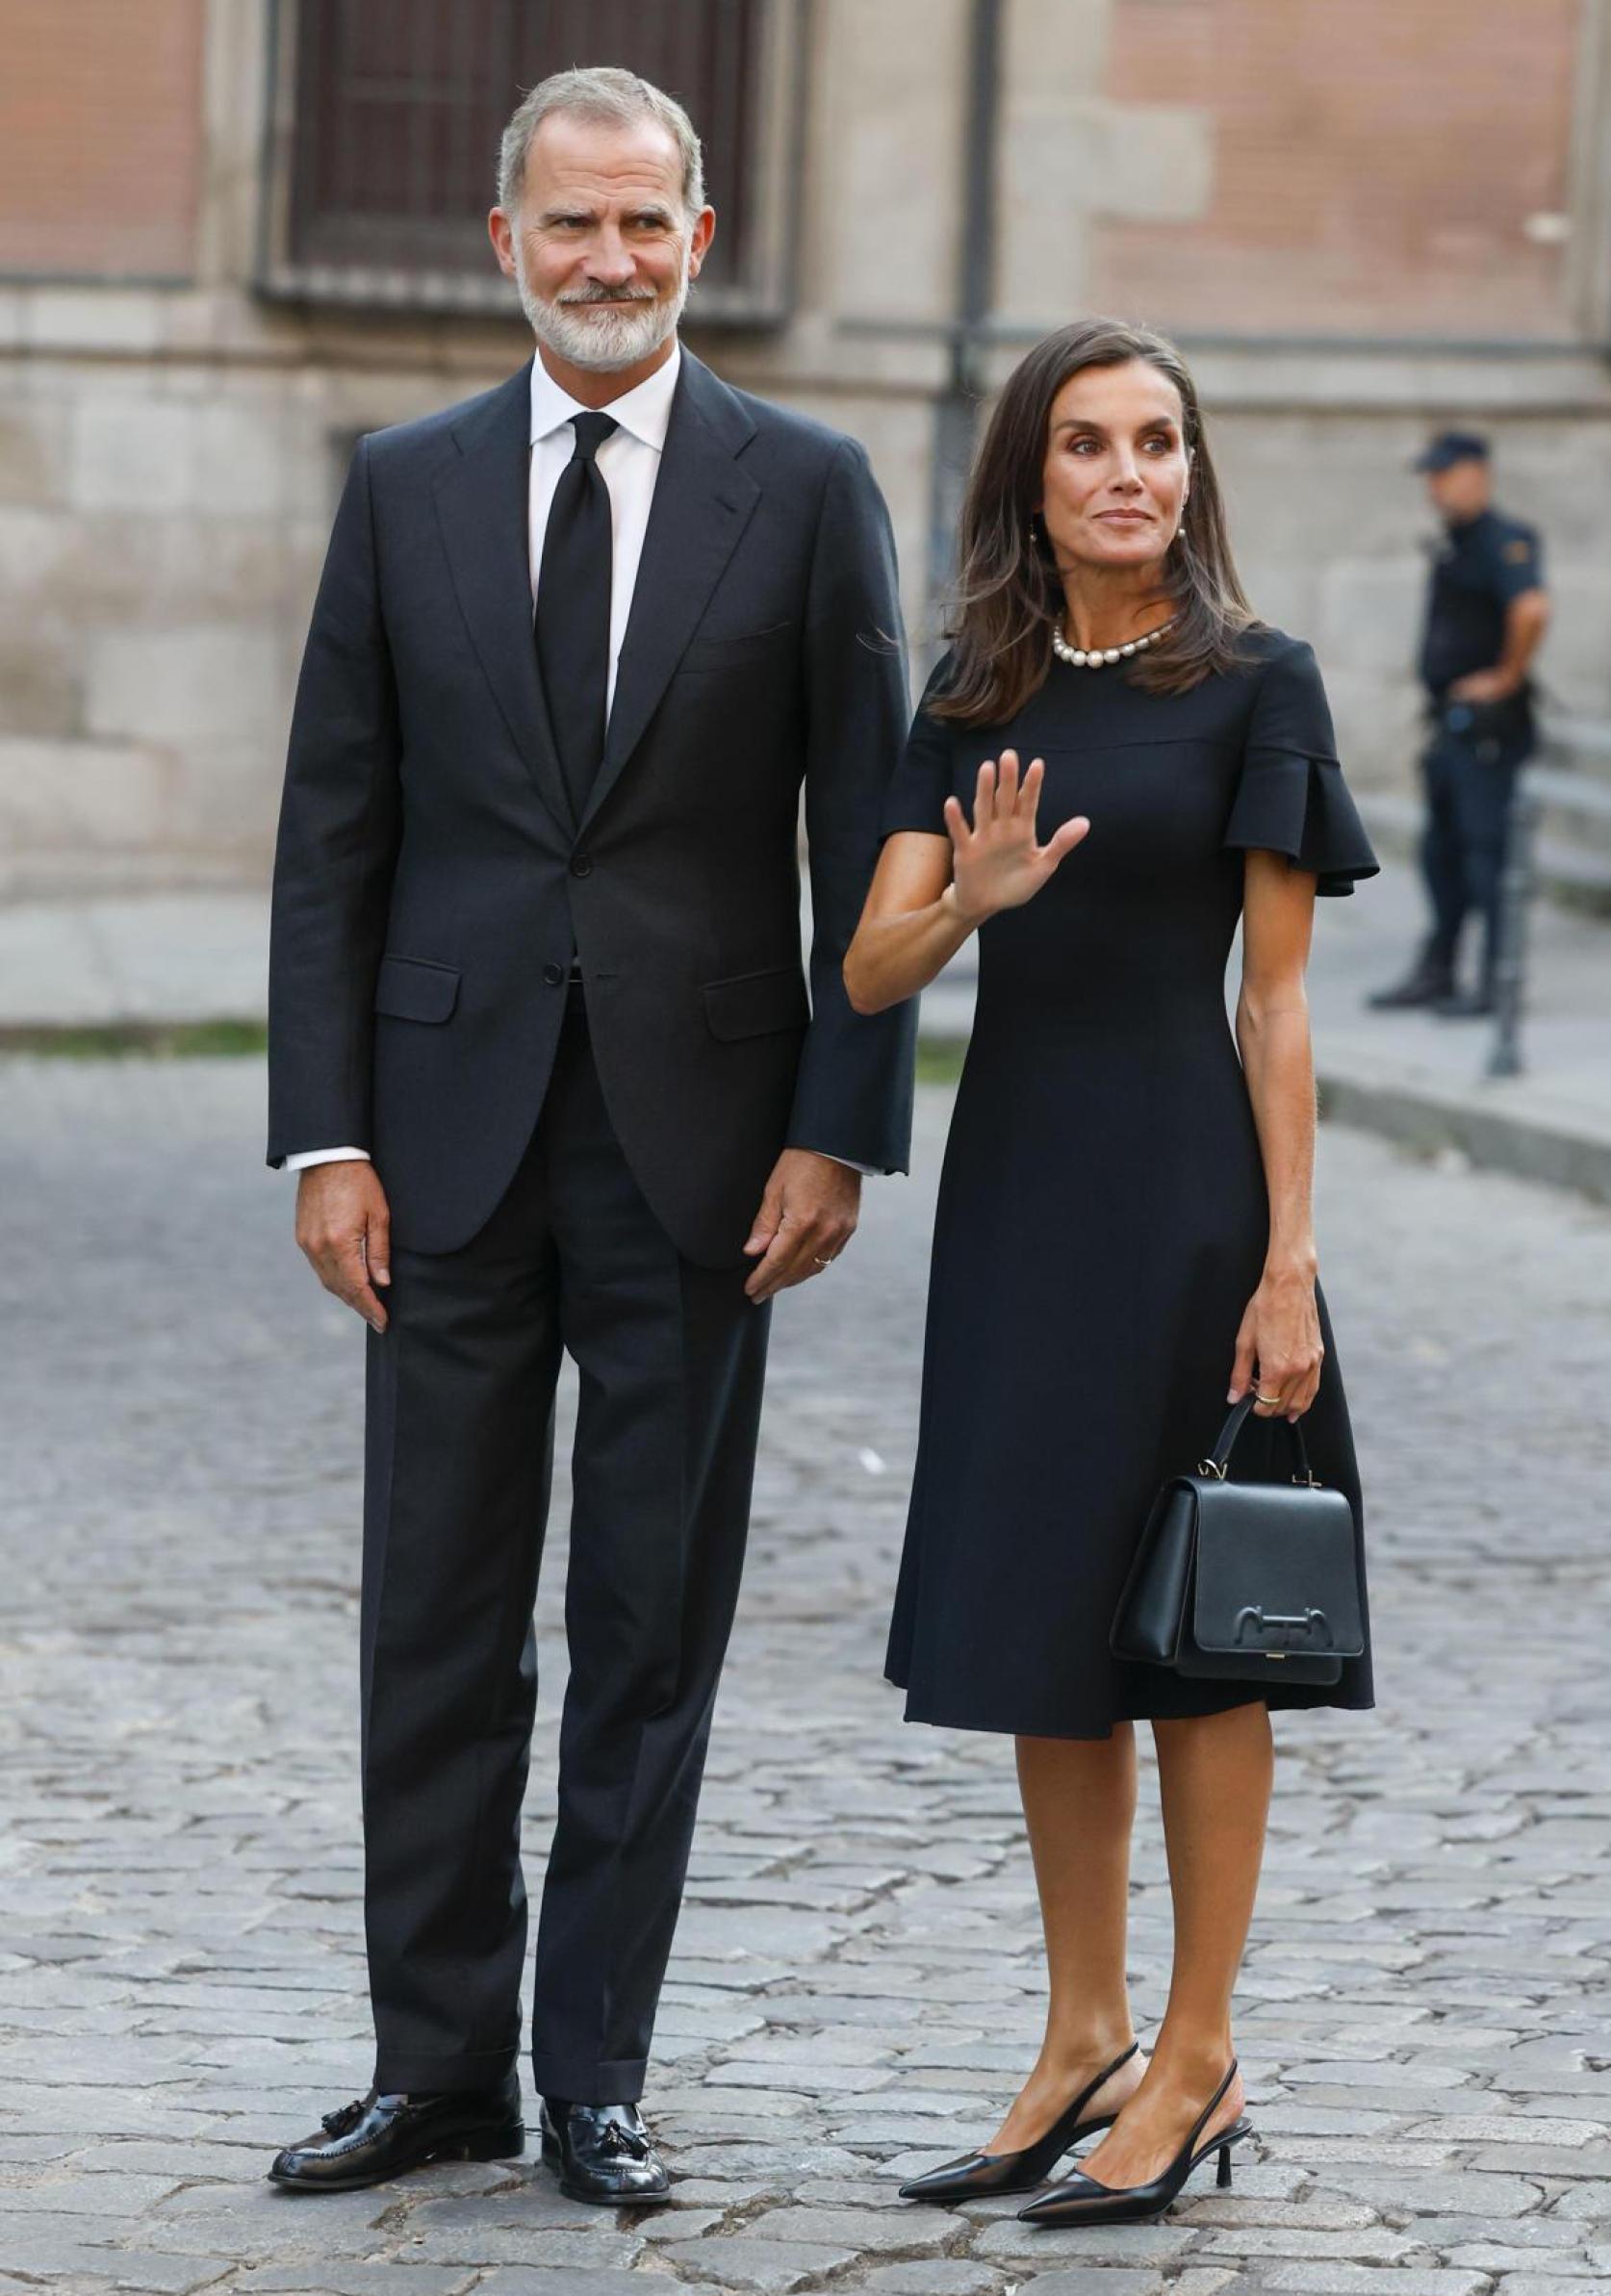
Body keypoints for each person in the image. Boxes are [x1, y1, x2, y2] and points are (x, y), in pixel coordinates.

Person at [264, 67, 915, 2206]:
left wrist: (838, 1126)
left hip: (704, 1154)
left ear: (700, 239)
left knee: (649, 1620)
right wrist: (322, 1132)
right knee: (433, 1614)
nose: (610, 261)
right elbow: (332, 830)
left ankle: (593, 2075)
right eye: (572, 226)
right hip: (437, 1144)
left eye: (646, 225)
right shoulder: (404, 483)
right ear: (505, 243)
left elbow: (872, 836)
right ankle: (433, 2059)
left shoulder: (805, 487)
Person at [843, 319, 1377, 2230]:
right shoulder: (973, 687)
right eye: (1087, 443)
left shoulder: (1257, 684)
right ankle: (1080, 2029)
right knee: (1039, 1628)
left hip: (1185, 1204)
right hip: (1014, 1199)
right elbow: (868, 970)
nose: (1127, 473)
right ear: (1033, 475)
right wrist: (963, 899)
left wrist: (1291, 1257)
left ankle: (1198, 2045)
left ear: (1190, 471)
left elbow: (1279, 994)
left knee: (1190, 1641)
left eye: (1157, 440)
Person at [1369, 430, 1549, 1016]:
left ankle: (1498, 982)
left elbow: (1531, 607)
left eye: (1444, 474)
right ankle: (1441, 968)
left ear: (1477, 473)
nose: (1435, 486)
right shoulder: (1456, 542)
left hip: (1488, 730)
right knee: (1440, 854)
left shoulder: (1504, 540)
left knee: (1485, 855)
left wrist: (1506, 675)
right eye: (1431, 476)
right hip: (1451, 725)